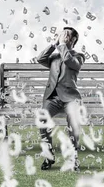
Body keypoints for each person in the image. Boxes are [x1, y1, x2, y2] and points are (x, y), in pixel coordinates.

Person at [35, 27, 86, 171]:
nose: (64, 37)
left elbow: (69, 61)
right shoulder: (54, 57)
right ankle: (49, 156)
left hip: (71, 98)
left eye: (67, 35)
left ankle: (73, 156)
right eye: (63, 35)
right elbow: (40, 59)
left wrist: (62, 45)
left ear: (74, 40)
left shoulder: (79, 56)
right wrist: (54, 44)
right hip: (53, 97)